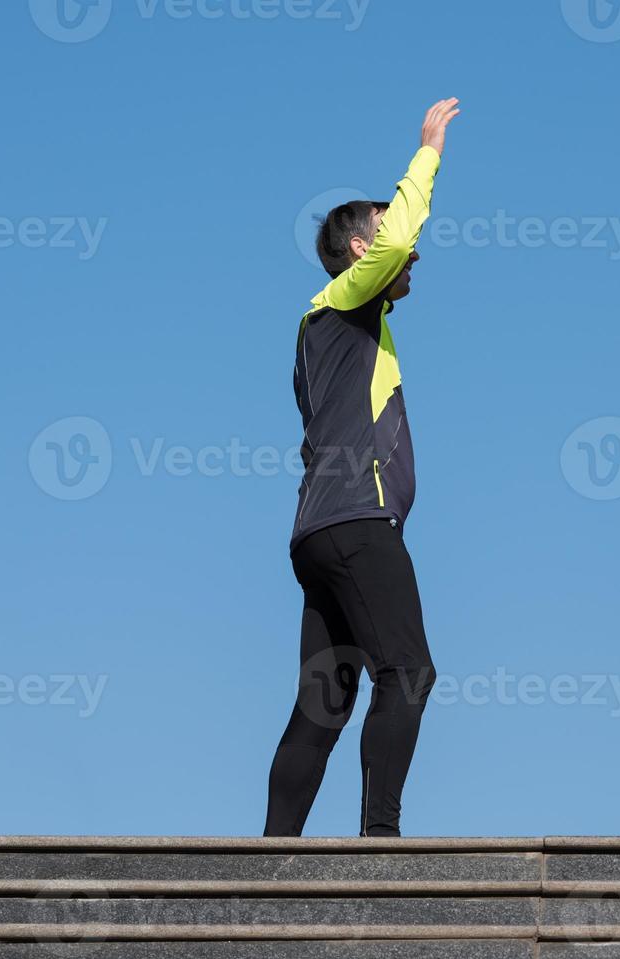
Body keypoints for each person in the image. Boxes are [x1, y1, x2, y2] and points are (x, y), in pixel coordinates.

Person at [264, 99, 462, 838]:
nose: (410, 254)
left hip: (317, 533)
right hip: (355, 523)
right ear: (359, 251)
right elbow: (400, 232)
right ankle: (380, 839)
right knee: (407, 671)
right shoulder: (343, 304)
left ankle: (267, 859)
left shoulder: (327, 330)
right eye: (388, 244)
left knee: (325, 701)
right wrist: (428, 152)